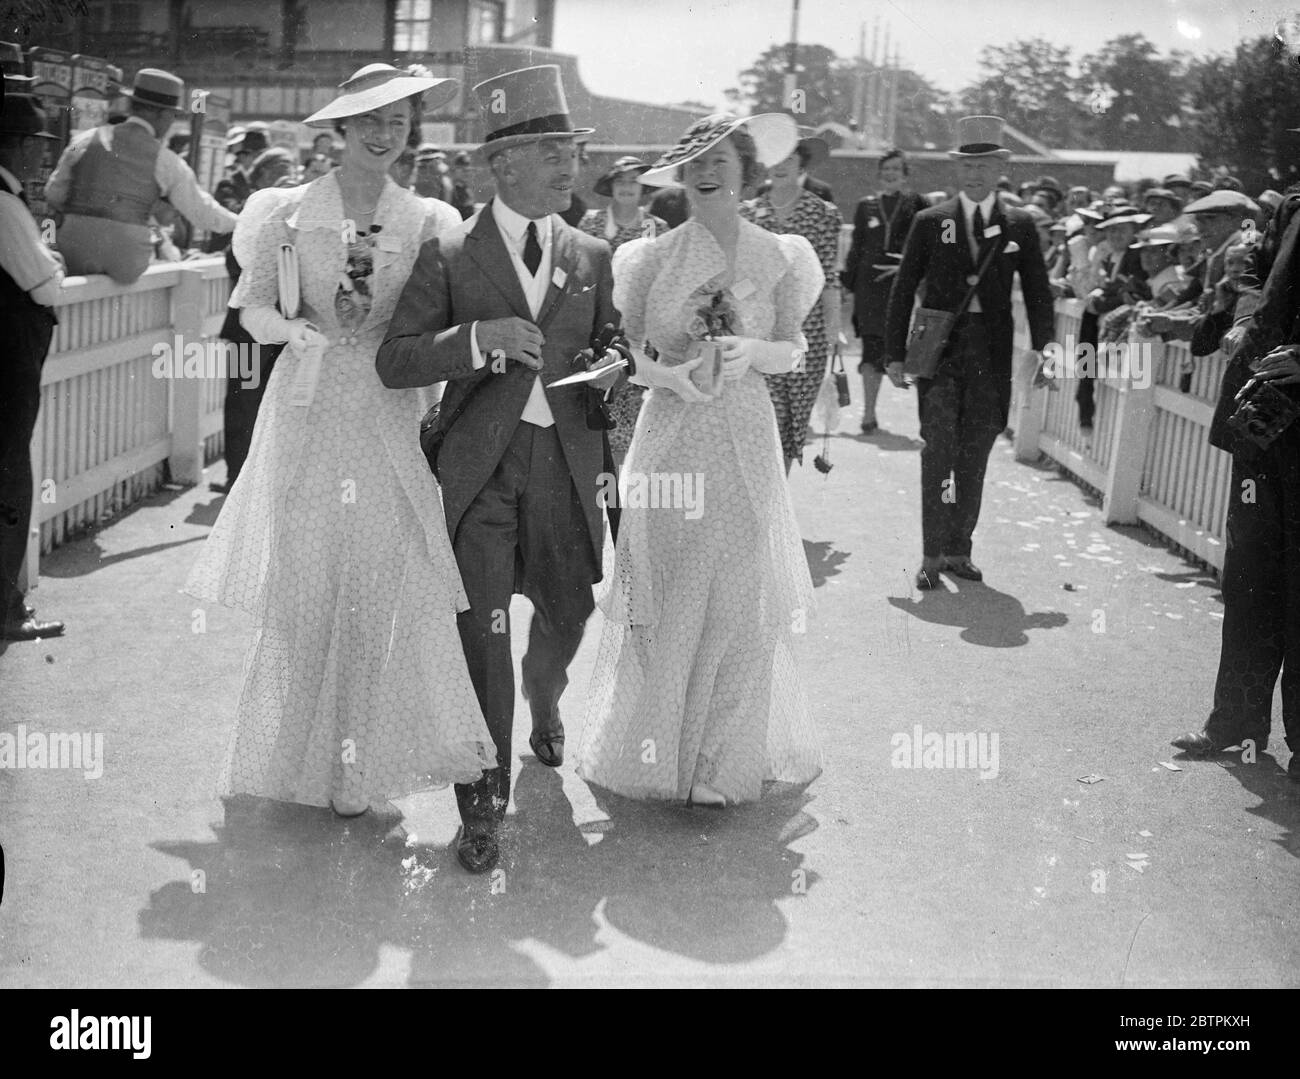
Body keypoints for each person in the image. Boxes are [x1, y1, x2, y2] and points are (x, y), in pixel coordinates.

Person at [184, 64, 494, 820]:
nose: (385, 134)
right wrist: (291, 330)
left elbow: (440, 320)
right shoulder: (287, 212)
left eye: (399, 120)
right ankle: (294, 754)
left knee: (372, 594)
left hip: (387, 415)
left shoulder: (426, 218)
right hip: (308, 412)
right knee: (306, 591)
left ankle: (356, 766)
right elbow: (252, 306)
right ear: (341, 130)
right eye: (370, 122)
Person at [377, 64, 621, 873]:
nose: (568, 167)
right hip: (479, 469)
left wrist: (611, 365)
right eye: (552, 151)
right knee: (480, 634)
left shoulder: (593, 252)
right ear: (503, 163)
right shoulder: (447, 254)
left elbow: (611, 345)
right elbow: (396, 359)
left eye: (571, 152)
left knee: (569, 612)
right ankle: (483, 805)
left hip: (566, 463)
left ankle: (545, 696)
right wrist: (477, 342)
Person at [577, 112, 825, 806]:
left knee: (739, 594)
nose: (709, 172)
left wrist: (755, 354)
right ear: (682, 177)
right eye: (698, 163)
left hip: (743, 436)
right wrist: (669, 378)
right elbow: (631, 352)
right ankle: (657, 748)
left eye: (723, 160)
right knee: (667, 586)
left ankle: (719, 760)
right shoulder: (651, 258)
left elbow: (795, 349)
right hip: (670, 437)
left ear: (747, 171)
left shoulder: (780, 254)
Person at [883, 116, 1055, 590]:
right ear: (956, 169)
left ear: (1002, 167)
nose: (976, 174)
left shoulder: (1018, 224)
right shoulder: (929, 222)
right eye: (968, 165)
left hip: (991, 355)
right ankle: (931, 554)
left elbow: (1039, 294)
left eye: (986, 164)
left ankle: (961, 550)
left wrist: (1048, 351)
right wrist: (894, 355)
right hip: (939, 354)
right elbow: (902, 290)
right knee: (938, 451)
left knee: (975, 454)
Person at [1171, 191, 1300, 781]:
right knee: (1250, 576)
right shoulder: (1287, 207)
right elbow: (1254, 270)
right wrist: (1247, 315)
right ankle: (1237, 720)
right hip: (1262, 419)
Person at [46, 68, 236, 284]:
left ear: (130, 105)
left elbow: (53, 194)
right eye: (172, 116)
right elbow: (202, 212)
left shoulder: (83, 140)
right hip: (127, 257)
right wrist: (241, 223)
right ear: (164, 114)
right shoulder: (167, 160)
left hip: (73, 249)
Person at [0, 95, 65, 642]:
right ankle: (6, 608)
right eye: (37, 146)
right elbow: (43, 281)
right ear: (18, 145)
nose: (40, 159)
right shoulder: (4, 204)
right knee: (10, 480)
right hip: (8, 360)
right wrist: (54, 265)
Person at [742, 134, 843, 470]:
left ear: (802, 164)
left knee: (792, 422)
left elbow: (829, 277)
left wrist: (833, 329)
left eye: (789, 159)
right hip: (757, 331)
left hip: (806, 331)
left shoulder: (823, 213)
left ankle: (777, 504)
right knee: (761, 418)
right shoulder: (748, 213)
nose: (781, 166)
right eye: (775, 158)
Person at [215, 148, 299, 492]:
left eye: (290, 169)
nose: (287, 176)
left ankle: (271, 478)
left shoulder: (303, 219)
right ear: (261, 176)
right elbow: (233, 261)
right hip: (247, 332)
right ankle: (237, 477)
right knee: (242, 404)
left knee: (282, 404)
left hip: (285, 329)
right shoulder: (251, 214)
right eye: (278, 169)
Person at [578, 155, 668, 465]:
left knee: (628, 424)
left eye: (634, 181)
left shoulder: (655, 227)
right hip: (594, 330)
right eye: (621, 181)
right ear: (611, 186)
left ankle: (621, 502)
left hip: (637, 336)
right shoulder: (591, 223)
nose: (627, 187)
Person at [842, 149, 927, 435]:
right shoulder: (866, 206)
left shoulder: (917, 204)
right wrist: (847, 284)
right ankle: (868, 412)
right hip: (870, 285)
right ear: (880, 173)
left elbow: (926, 246)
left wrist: (907, 267)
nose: (890, 173)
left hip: (901, 285)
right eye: (886, 169)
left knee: (905, 346)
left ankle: (924, 420)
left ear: (905, 174)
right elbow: (856, 248)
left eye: (896, 169)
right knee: (871, 347)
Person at [449, 150, 475, 219]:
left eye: (468, 171)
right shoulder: (450, 190)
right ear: (454, 170)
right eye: (463, 171)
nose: (466, 173)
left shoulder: (467, 189)